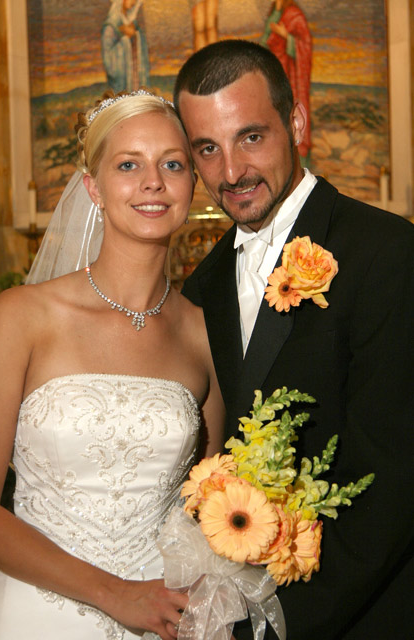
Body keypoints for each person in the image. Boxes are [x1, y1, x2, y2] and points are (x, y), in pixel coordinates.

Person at [173, 39, 414, 639]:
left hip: (363, 615)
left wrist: (280, 625)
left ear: (297, 122)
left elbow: (394, 475)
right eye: (208, 148)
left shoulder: (386, 252)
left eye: (250, 137)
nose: (230, 173)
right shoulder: (200, 287)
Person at [0, 90, 225, 639]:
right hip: (34, 614)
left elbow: (210, 504)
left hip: (165, 619)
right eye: (127, 165)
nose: (153, 182)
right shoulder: (22, 317)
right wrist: (114, 594)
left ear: (192, 184)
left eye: (172, 164)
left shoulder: (206, 335)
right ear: (93, 187)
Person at [259, 1, 312, 164]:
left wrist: (285, 36)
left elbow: (305, 45)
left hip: (290, 78)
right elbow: (265, 42)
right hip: (271, 77)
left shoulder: (294, 15)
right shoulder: (274, 13)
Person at [101, 0, 150, 93]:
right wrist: (125, 39)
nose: (134, 2)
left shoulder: (132, 23)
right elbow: (108, 56)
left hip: (135, 78)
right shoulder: (111, 26)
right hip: (122, 82)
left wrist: (135, 35)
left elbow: (141, 42)